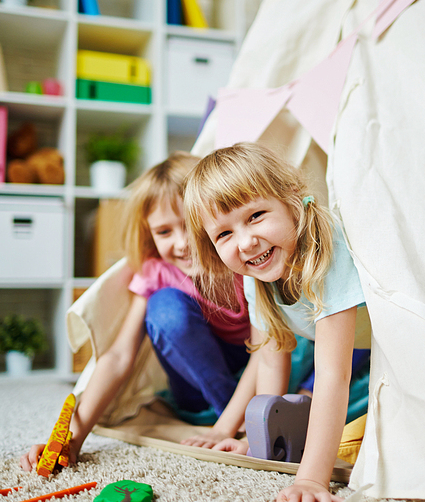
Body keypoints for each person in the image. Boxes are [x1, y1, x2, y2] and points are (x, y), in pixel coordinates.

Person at [20, 152, 252, 471]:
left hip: (260, 370)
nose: (182, 243)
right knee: (165, 307)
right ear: (149, 234)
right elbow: (117, 357)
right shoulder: (157, 272)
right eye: (164, 232)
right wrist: (71, 438)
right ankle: (241, 421)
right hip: (201, 393)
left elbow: (277, 345)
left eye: (190, 224)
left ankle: (253, 415)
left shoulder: (243, 255)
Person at [183, 142, 369, 502]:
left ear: (291, 199)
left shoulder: (326, 248)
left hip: (374, 356)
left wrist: (311, 479)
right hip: (340, 353)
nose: (246, 241)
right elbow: (269, 361)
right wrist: (254, 440)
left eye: (255, 216)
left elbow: (334, 374)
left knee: (365, 426)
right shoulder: (257, 270)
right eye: (224, 234)